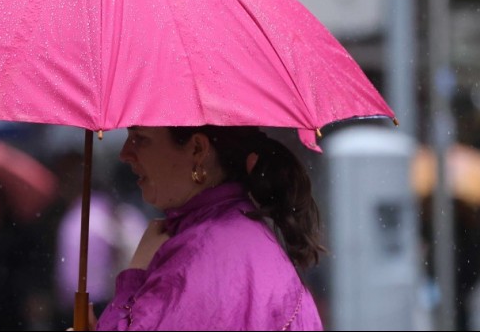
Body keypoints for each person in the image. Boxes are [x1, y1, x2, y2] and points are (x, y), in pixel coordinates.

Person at [87, 125, 324, 331]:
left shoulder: (203, 255)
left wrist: (135, 275)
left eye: (140, 138)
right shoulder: (238, 234)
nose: (124, 154)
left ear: (198, 150)